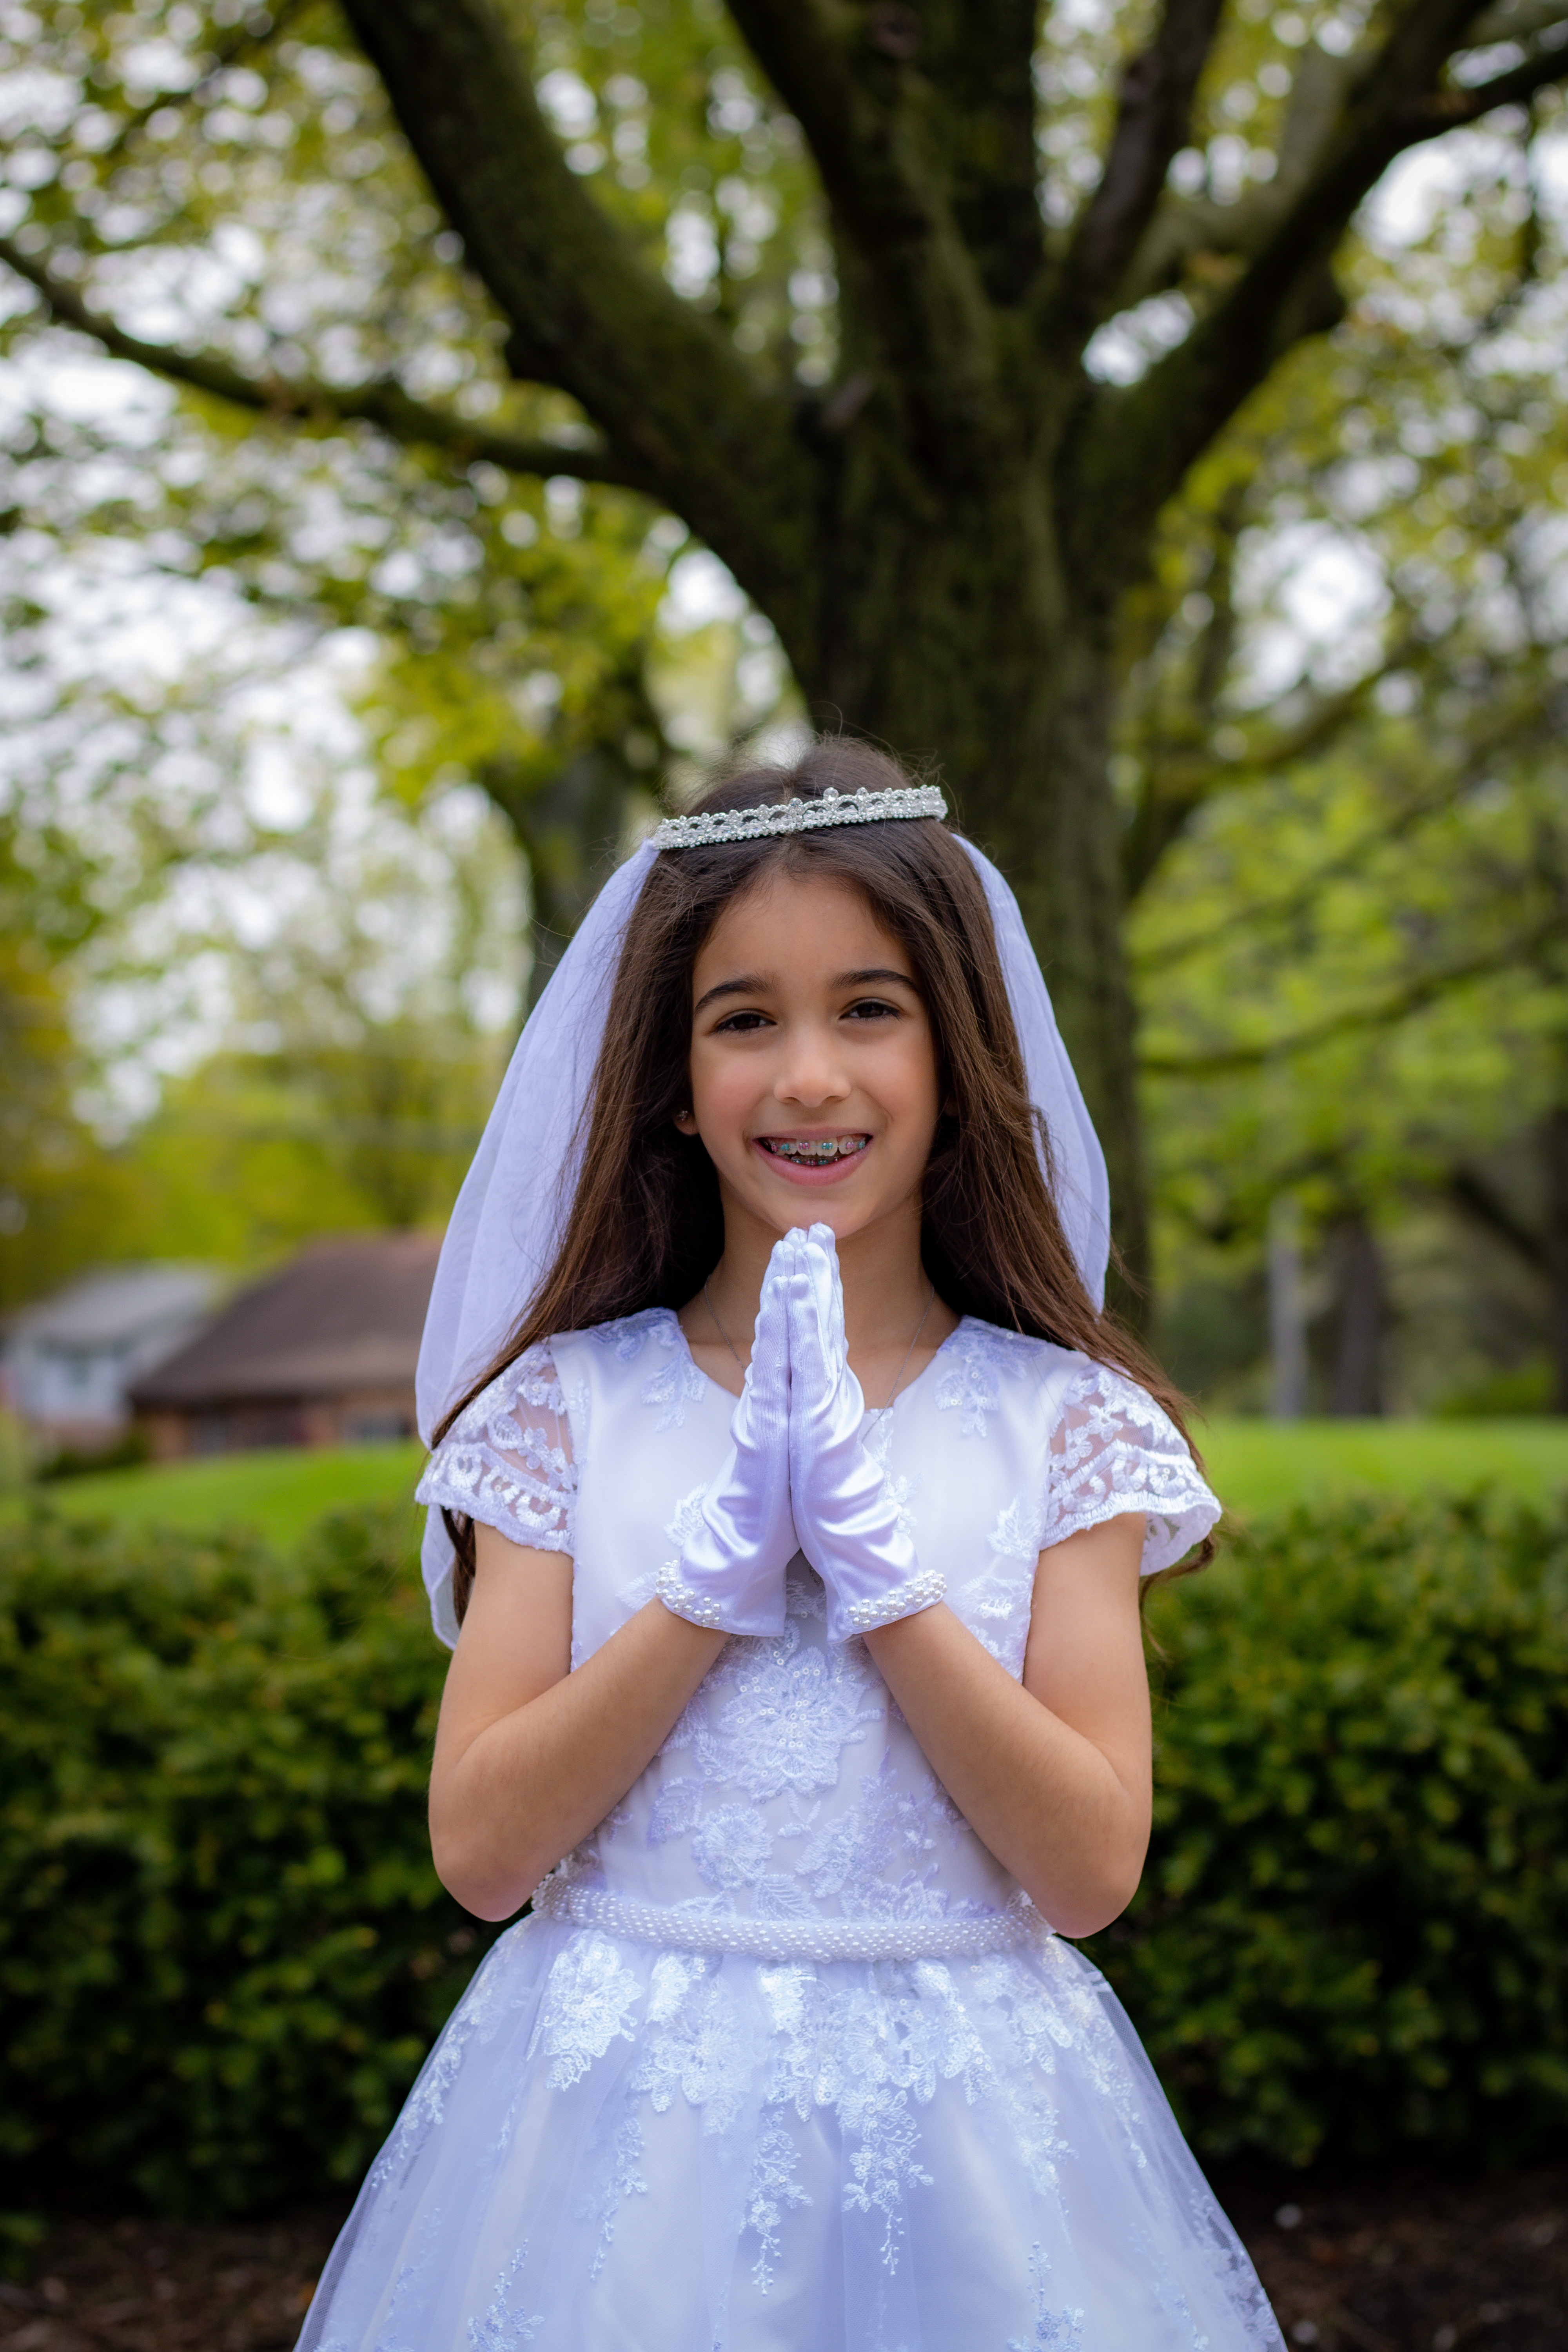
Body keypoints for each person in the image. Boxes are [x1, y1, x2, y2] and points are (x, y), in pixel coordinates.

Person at [297, 740, 1283, 2352]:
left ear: (958, 1055)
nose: (807, 1072)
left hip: (976, 2146)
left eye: (868, 1009)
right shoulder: (568, 1409)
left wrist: (887, 1583)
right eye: (744, 1018)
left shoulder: (1059, 1424)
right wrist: (711, 1580)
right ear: (676, 1085)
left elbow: (1092, 1871)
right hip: (610, 2146)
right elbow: (480, 1854)